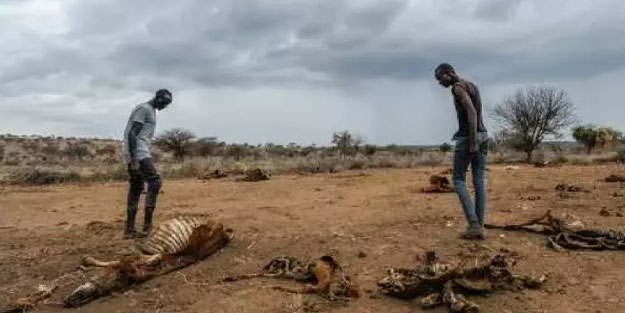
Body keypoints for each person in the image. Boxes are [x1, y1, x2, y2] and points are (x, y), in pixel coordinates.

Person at [434, 63, 488, 240]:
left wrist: (472, 142)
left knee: (457, 180)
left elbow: (471, 113)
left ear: (449, 73)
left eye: (440, 78)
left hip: (469, 139)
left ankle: (473, 224)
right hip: (483, 135)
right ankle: (478, 225)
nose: (440, 83)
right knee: (479, 180)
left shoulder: (457, 88)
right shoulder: (472, 85)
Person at [121, 89, 172, 239]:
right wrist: (135, 159)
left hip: (136, 151)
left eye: (167, 104)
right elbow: (132, 133)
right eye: (163, 102)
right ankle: (147, 227)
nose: (164, 106)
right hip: (139, 152)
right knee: (155, 182)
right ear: (157, 98)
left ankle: (130, 230)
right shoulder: (144, 109)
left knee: (136, 187)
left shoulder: (151, 110)